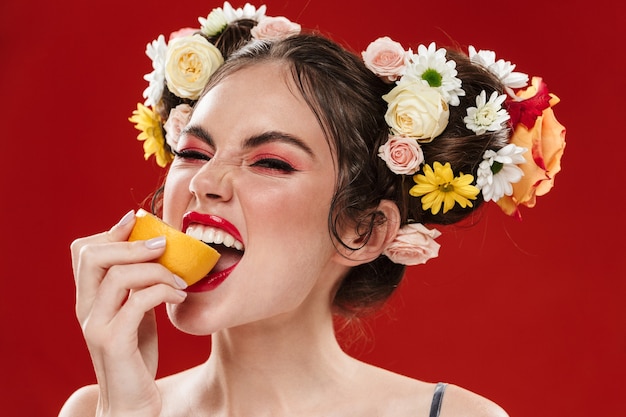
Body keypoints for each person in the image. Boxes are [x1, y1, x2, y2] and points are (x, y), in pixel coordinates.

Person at [60, 2, 566, 416]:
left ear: (364, 230)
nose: (207, 181)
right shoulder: (97, 410)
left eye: (272, 163)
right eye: (193, 152)